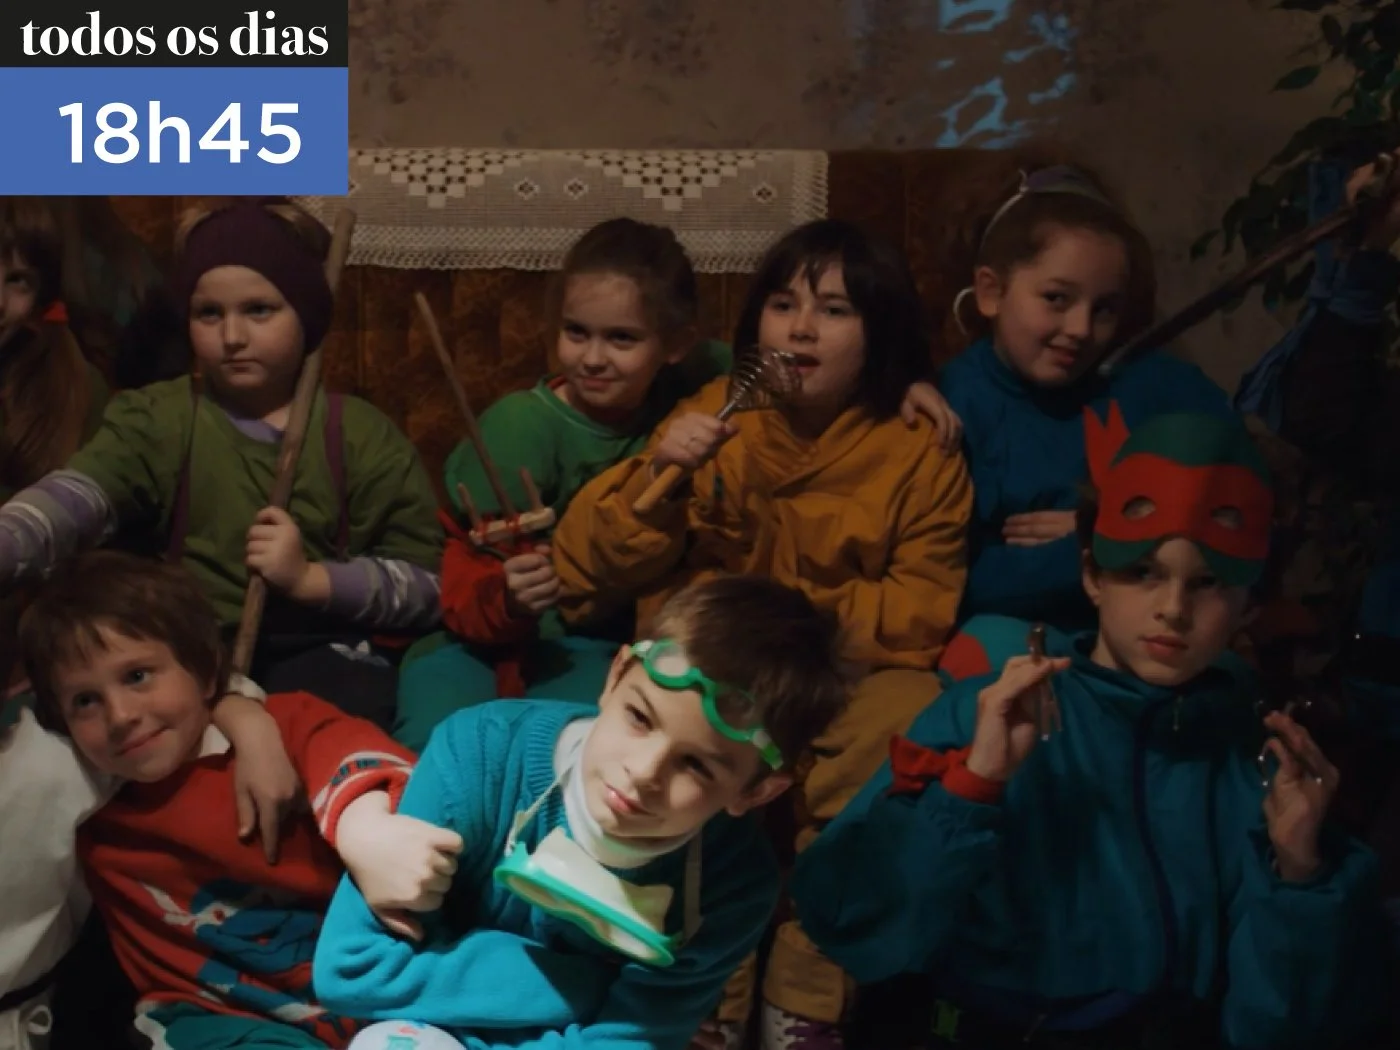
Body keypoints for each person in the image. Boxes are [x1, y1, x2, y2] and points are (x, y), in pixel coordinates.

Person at [791, 406, 1387, 1050]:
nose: (1173, 609)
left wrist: (1299, 873)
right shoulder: (989, 713)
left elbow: (1278, 1026)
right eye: (1142, 572)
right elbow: (857, 929)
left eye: (1209, 583)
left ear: (1251, 605)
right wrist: (970, 787)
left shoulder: (1254, 758)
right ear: (1092, 575)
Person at [550, 218, 973, 1049]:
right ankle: (709, 981)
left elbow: (921, 607)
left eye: (835, 311)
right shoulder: (715, 413)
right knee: (700, 731)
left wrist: (790, 626)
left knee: (902, 716)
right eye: (783, 305)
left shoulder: (918, 450)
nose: (801, 330)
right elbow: (584, 562)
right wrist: (661, 472)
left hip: (846, 667)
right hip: (717, 660)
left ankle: (808, 982)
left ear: (879, 333)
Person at [312, 575, 850, 1050]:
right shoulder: (478, 753)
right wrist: (594, 986)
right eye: (640, 717)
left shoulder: (734, 885)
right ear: (615, 678)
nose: (643, 771)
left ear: (756, 792)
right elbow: (353, 969)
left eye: (696, 765)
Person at [0, 198, 444, 728]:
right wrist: (11, 538)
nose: (232, 336)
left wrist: (311, 579)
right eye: (209, 313)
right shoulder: (160, 418)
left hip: (319, 651)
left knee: (342, 708)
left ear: (305, 316)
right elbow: (78, 497)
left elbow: (429, 588)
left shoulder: (362, 437)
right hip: (186, 653)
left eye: (259, 310)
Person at [17, 549, 460, 1049]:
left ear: (206, 672)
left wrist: (367, 832)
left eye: (137, 676)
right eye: (85, 701)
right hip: (217, 1019)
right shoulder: (84, 808)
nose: (120, 716)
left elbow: (349, 757)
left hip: (389, 977)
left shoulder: (281, 727)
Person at [394, 218, 732, 751]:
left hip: (592, 647)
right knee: (441, 747)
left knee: (587, 748)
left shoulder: (691, 394)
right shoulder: (519, 430)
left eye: (622, 338)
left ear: (675, 344)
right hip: (471, 647)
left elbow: (755, 366)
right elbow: (457, 574)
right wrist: (507, 596)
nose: (593, 359)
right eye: (576, 332)